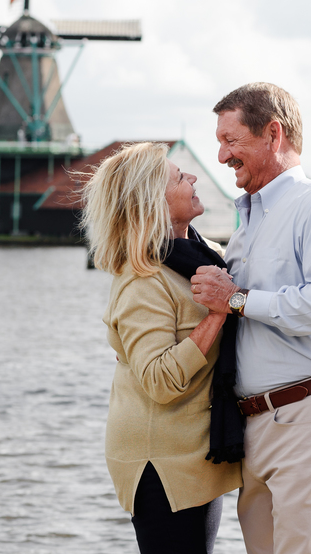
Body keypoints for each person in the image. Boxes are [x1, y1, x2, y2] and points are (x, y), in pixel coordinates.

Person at [190, 83, 311, 554]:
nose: (221, 154)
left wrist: (237, 299)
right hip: (258, 425)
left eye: (232, 140)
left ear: (273, 134)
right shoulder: (248, 220)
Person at [82, 142, 242, 554]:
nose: (191, 178)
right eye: (178, 177)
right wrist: (217, 316)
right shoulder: (143, 281)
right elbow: (159, 380)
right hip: (162, 463)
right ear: (152, 201)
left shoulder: (202, 258)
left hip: (192, 451)